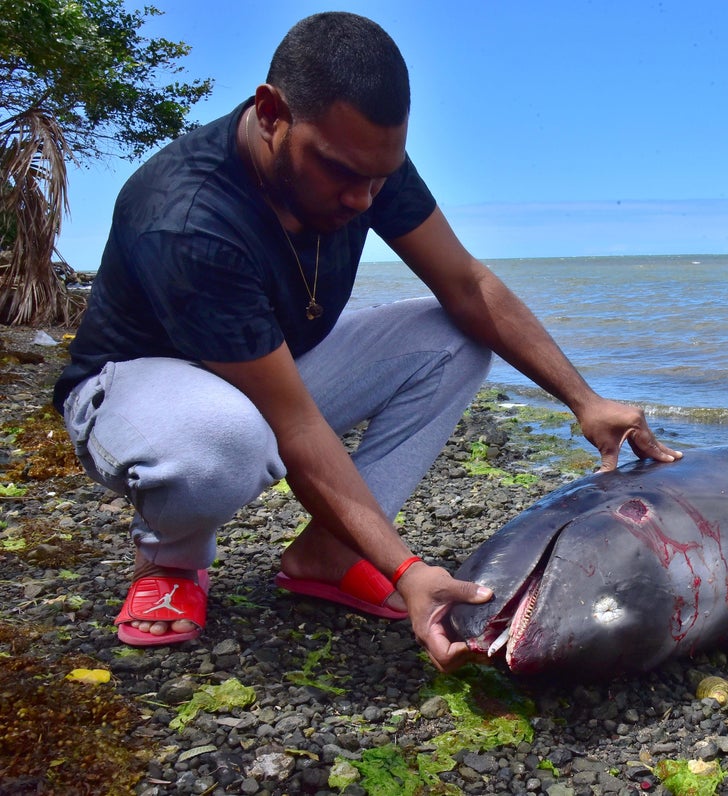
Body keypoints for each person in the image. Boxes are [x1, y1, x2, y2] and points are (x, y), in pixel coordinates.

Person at [53, 12, 681, 673]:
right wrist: (409, 571)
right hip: (134, 391)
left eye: (379, 177)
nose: (362, 199)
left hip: (265, 368)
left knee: (454, 338)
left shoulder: (363, 162)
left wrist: (583, 399)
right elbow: (291, 424)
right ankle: (168, 560)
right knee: (227, 440)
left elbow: (467, 284)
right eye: (341, 173)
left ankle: (329, 554)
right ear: (271, 112)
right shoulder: (188, 221)